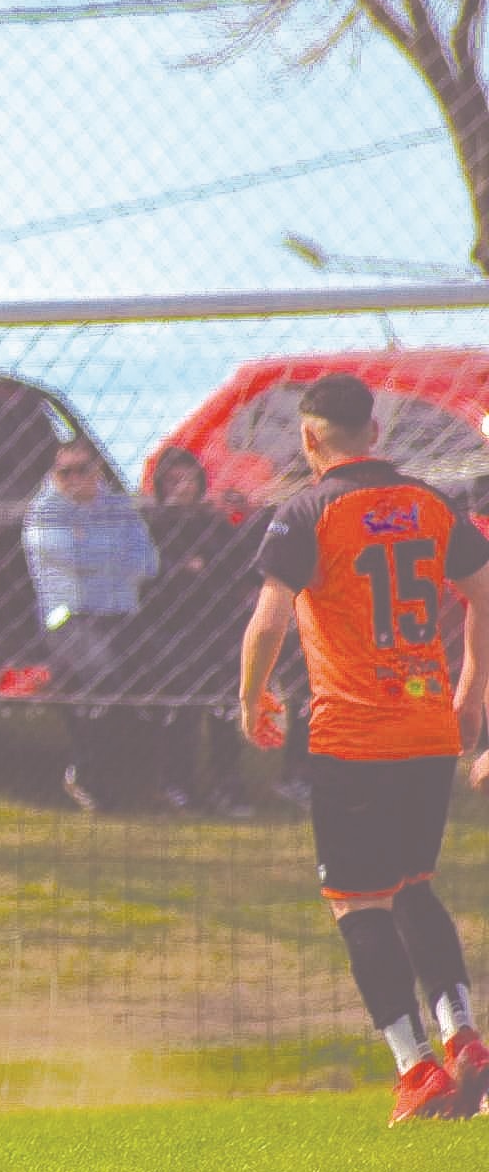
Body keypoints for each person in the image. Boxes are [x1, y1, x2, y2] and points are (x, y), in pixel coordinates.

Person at [238, 372, 489, 1125]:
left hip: (354, 734)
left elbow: (268, 621)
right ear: (375, 433)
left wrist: (251, 699)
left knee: (358, 902)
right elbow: (484, 593)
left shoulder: (306, 511)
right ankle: (466, 1038)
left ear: (308, 439)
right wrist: (471, 689)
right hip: (427, 728)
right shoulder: (430, 503)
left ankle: (417, 1069)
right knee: (413, 884)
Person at [21, 436, 159, 811]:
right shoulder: (45, 510)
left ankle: (139, 775)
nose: (73, 479)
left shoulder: (119, 507)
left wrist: (91, 549)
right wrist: (112, 553)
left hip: (120, 613)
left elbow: (148, 562)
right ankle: (84, 771)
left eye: (82, 470)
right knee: (102, 673)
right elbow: (67, 556)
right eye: (64, 472)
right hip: (68, 616)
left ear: (98, 470)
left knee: (155, 672)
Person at [135, 448, 252, 815]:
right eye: (173, 480)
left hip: (218, 623)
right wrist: (185, 568)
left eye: (188, 478)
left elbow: (236, 566)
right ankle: (176, 783)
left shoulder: (213, 522)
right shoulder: (151, 524)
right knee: (181, 707)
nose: (182, 487)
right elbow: (150, 576)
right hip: (170, 626)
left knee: (224, 706)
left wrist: (201, 565)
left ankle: (227, 785)